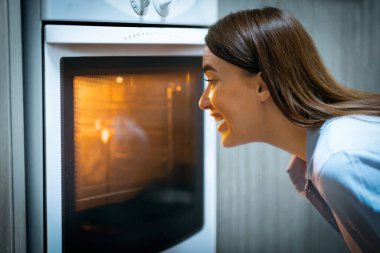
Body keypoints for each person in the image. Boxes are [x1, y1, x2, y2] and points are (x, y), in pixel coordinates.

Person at [198, 7, 380, 253]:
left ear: (262, 86)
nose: (203, 102)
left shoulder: (340, 162)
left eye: (212, 81)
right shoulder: (325, 153)